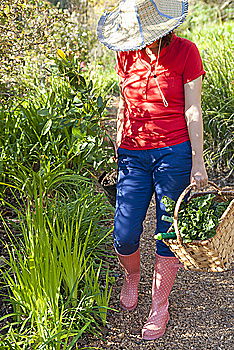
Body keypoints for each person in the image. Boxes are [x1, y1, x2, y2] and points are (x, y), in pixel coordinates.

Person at [97, 0, 208, 340]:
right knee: (125, 233)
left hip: (173, 153)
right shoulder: (126, 55)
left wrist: (198, 162)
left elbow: (193, 109)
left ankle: (160, 305)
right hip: (132, 153)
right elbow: (124, 101)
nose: (136, 39)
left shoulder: (186, 52)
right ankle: (132, 277)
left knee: (166, 230)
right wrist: (118, 142)